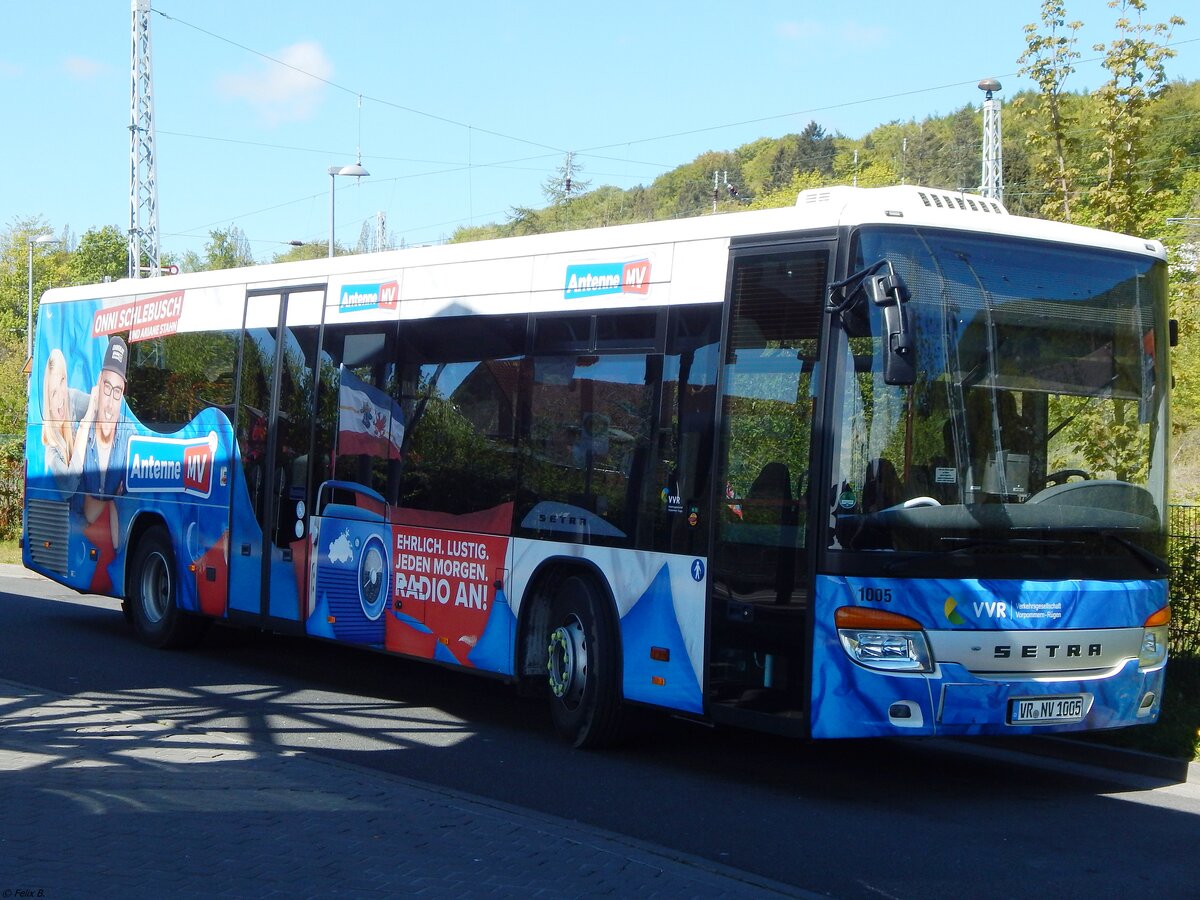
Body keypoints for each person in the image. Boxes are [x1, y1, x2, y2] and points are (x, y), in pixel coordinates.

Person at [81, 336, 130, 592]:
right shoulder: (83, 430)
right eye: (107, 389)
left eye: (118, 393)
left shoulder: (128, 434)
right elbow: (72, 483)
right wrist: (89, 414)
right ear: (98, 388)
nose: (110, 404)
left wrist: (106, 504)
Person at [41, 348, 92, 494]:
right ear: (48, 402)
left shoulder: (71, 398)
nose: (61, 396)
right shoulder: (52, 451)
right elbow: (69, 487)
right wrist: (84, 430)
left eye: (62, 381)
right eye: (53, 392)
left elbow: (102, 407)